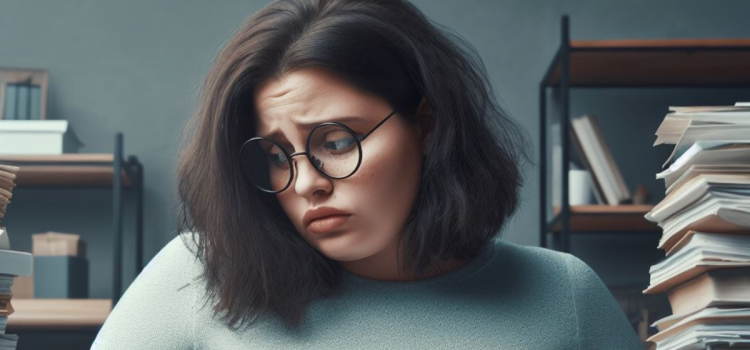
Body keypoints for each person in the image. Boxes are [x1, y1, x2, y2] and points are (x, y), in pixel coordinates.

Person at [93, 0, 643, 349]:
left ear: (424, 123)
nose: (307, 182)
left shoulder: (564, 296)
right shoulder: (199, 277)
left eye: (336, 142)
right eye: (278, 156)